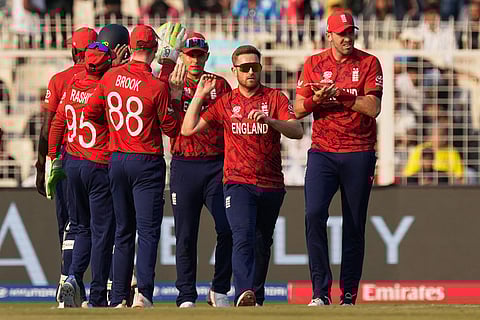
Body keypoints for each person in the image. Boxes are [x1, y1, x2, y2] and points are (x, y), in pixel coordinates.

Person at [182, 44, 303, 307]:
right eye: (245, 68)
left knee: (262, 242)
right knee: (242, 235)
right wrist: (200, 96)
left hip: (271, 183)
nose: (251, 72)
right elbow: (188, 129)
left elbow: (297, 130)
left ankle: (255, 297)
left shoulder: (275, 98)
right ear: (234, 70)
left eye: (255, 67)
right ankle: (244, 292)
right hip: (237, 182)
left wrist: (271, 122)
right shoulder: (226, 102)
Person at [84, 24, 180, 309]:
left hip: (117, 159)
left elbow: (91, 113)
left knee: (123, 231)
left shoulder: (110, 76)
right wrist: (174, 98)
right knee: (148, 232)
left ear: (131, 46)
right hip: (146, 160)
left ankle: (117, 299)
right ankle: (144, 295)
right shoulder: (156, 85)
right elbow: (172, 129)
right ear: (152, 50)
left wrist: (114, 129)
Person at [294, 9, 383, 306]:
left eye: (350, 32)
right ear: (329, 35)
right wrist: (316, 100)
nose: (347, 38)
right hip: (323, 151)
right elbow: (297, 110)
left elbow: (373, 108)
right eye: (341, 33)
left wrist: (341, 96)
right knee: (313, 214)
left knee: (354, 223)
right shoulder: (313, 63)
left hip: (359, 151)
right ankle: (320, 292)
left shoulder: (368, 62)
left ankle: (348, 295)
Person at [165, 31, 233, 308]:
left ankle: (219, 289)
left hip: (216, 164)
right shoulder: (171, 83)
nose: (195, 60)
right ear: (182, 56)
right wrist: (174, 94)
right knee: (185, 233)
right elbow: (167, 122)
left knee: (227, 228)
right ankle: (186, 295)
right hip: (184, 164)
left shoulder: (220, 85)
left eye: (199, 55)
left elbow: (230, 123)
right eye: (190, 55)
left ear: (206, 56)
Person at [48, 42, 116, 307]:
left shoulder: (74, 84)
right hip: (98, 164)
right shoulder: (106, 86)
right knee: (102, 232)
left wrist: (55, 158)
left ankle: (73, 278)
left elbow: (57, 123)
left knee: (79, 227)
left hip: (71, 163)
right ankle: (98, 293)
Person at [35, 27, 97, 307]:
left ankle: (66, 285)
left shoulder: (60, 80)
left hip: (65, 160)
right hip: (98, 160)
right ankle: (99, 289)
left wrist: (42, 164)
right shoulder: (104, 78)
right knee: (101, 226)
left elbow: (49, 126)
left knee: (70, 227)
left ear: (73, 51)